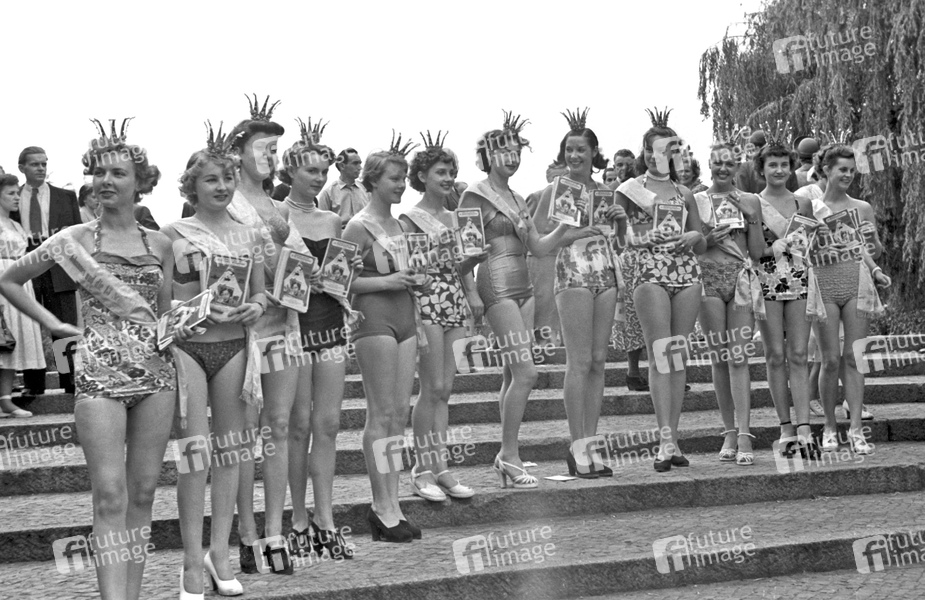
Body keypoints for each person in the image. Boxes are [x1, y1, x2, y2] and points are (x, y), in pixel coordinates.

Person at [0, 124, 177, 600]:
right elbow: (10, 279)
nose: (106, 180)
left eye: (118, 173)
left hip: (157, 377)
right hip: (99, 377)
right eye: (99, 172)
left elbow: (163, 313)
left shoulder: (160, 244)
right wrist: (53, 324)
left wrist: (194, 319)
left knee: (144, 495)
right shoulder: (74, 238)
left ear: (140, 182)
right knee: (110, 496)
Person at [163, 124, 267, 598]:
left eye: (227, 178)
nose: (222, 186)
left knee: (232, 451)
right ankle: (190, 561)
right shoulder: (171, 235)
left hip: (235, 348)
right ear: (192, 186)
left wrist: (255, 308)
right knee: (195, 454)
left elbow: (261, 293)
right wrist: (195, 308)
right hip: (189, 348)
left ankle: (219, 553)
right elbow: (162, 302)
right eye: (211, 179)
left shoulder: (250, 235)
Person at [460, 110, 590, 488]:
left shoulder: (518, 198)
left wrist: (566, 227)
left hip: (524, 285)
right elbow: (465, 252)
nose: (512, 158)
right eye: (505, 152)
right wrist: (470, 292)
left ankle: (508, 452)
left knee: (510, 373)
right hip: (495, 284)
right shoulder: (474, 194)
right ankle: (509, 455)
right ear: (488, 156)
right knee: (527, 373)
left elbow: (538, 247)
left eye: (517, 152)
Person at [276, 125, 360, 559]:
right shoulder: (275, 215)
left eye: (324, 171)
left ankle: (325, 517)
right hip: (293, 323)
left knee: (327, 424)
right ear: (290, 170)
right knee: (298, 425)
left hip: (329, 321)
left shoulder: (332, 220)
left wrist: (343, 274)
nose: (319, 177)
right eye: (311, 170)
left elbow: (340, 274)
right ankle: (297, 517)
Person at [227, 95, 300, 574]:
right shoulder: (224, 206)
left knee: (279, 427)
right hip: (244, 331)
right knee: (243, 434)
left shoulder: (280, 208)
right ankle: (247, 531)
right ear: (238, 153)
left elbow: (297, 268)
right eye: (263, 148)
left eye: (276, 149)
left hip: (284, 328)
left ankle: (276, 530)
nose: (271, 156)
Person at [341, 135, 425, 542]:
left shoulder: (402, 225)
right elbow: (338, 282)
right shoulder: (357, 226)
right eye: (394, 178)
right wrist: (387, 281)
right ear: (373, 181)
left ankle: (394, 501)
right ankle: (380, 505)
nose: (401, 184)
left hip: (406, 316)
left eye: (404, 178)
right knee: (380, 412)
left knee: (398, 414)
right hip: (374, 319)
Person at [614, 108, 706, 472]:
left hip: (686, 271)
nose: (660, 156)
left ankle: (674, 439)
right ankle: (664, 439)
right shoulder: (628, 190)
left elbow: (701, 241)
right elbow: (618, 241)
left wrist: (695, 234)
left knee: (677, 356)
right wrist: (633, 233)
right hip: (649, 270)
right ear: (645, 151)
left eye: (668, 149)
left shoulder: (685, 192)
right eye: (654, 149)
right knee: (659, 354)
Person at [400, 131, 484, 502]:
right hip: (426, 299)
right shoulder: (409, 219)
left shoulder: (457, 218)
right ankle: (421, 468)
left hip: (453, 299)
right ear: (422, 176)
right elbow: (409, 267)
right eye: (440, 172)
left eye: (451, 172)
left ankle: (441, 466)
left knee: (446, 390)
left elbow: (460, 267)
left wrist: (473, 268)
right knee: (431, 387)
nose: (448, 178)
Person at [534, 109, 618, 478]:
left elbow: (619, 238)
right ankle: (576, 444)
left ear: (594, 152)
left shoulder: (606, 192)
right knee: (579, 361)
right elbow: (538, 240)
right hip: (572, 271)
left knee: (599, 361)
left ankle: (591, 443)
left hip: (605, 270)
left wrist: (619, 222)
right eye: (569, 149)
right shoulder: (555, 191)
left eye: (581, 149)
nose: (574, 155)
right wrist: (571, 233)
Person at [810, 144, 890, 455]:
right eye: (842, 169)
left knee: (855, 357)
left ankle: (856, 429)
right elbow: (797, 249)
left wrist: (872, 243)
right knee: (830, 360)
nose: (848, 175)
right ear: (826, 170)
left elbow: (873, 251)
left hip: (856, 281)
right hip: (823, 284)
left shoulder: (862, 207)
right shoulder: (810, 206)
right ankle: (830, 426)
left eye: (851, 170)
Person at [693, 143, 765, 465]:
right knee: (719, 359)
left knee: (738, 357)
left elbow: (758, 252)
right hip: (708, 278)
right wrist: (707, 239)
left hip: (739, 279)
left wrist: (752, 219)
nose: (723, 168)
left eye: (729, 162)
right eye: (717, 162)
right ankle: (729, 432)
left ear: (737, 165)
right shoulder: (696, 200)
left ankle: (745, 432)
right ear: (709, 164)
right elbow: (692, 249)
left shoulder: (750, 200)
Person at [751, 132, 820, 459]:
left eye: (783, 164)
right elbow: (753, 250)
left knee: (799, 354)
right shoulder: (753, 202)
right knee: (775, 355)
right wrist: (772, 247)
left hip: (798, 277)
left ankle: (805, 427)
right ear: (761, 169)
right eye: (772, 165)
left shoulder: (802, 203)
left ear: (791, 167)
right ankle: (785, 428)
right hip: (766, 278)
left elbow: (807, 244)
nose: (778, 170)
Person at [13, 146, 82, 397]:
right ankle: (34, 383)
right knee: (29, 327)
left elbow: (78, 234)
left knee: (63, 325)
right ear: (22, 168)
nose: (41, 168)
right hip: (26, 265)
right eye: (35, 164)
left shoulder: (66, 197)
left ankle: (69, 378)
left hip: (59, 267)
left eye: (44, 163)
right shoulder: (12, 197)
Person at [0, 174, 45, 417]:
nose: (17, 197)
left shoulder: (17, 226)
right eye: (10, 193)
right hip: (1, 281)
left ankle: (5, 399)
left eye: (17, 193)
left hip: (18, 281)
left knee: (12, 340)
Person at [525, 160, 568, 346]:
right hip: (542, 260)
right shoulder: (537, 197)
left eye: (565, 176)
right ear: (548, 178)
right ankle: (541, 345)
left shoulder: (571, 201)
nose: (561, 181)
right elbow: (528, 233)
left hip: (564, 259)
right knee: (543, 304)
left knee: (558, 307)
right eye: (556, 177)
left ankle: (557, 344)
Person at [317, 147, 368, 225]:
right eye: (355, 163)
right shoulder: (327, 194)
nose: (360, 168)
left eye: (360, 163)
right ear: (342, 166)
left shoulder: (366, 190)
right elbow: (322, 224)